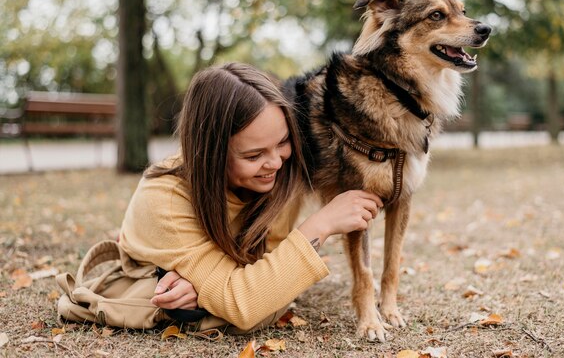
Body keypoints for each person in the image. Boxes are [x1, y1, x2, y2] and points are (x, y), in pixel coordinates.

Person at [118, 62, 382, 333]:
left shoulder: (272, 178)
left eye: (282, 142)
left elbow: (271, 282)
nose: (275, 163)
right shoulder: (165, 199)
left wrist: (210, 287)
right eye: (253, 155)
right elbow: (245, 305)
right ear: (212, 152)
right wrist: (320, 225)